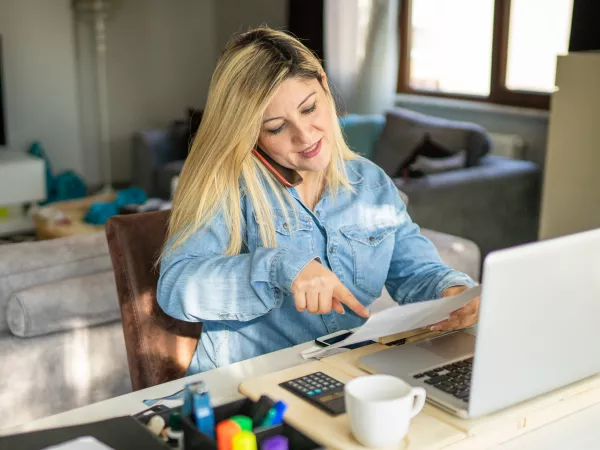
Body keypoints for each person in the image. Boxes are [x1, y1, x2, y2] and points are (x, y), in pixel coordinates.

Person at [157, 27, 479, 375]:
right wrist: (278, 267)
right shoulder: (227, 187)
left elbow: (417, 271)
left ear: (324, 85)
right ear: (249, 132)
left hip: (344, 373)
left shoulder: (369, 184)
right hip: (248, 388)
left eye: (309, 108)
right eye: (277, 127)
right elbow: (176, 286)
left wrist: (454, 292)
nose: (305, 135)